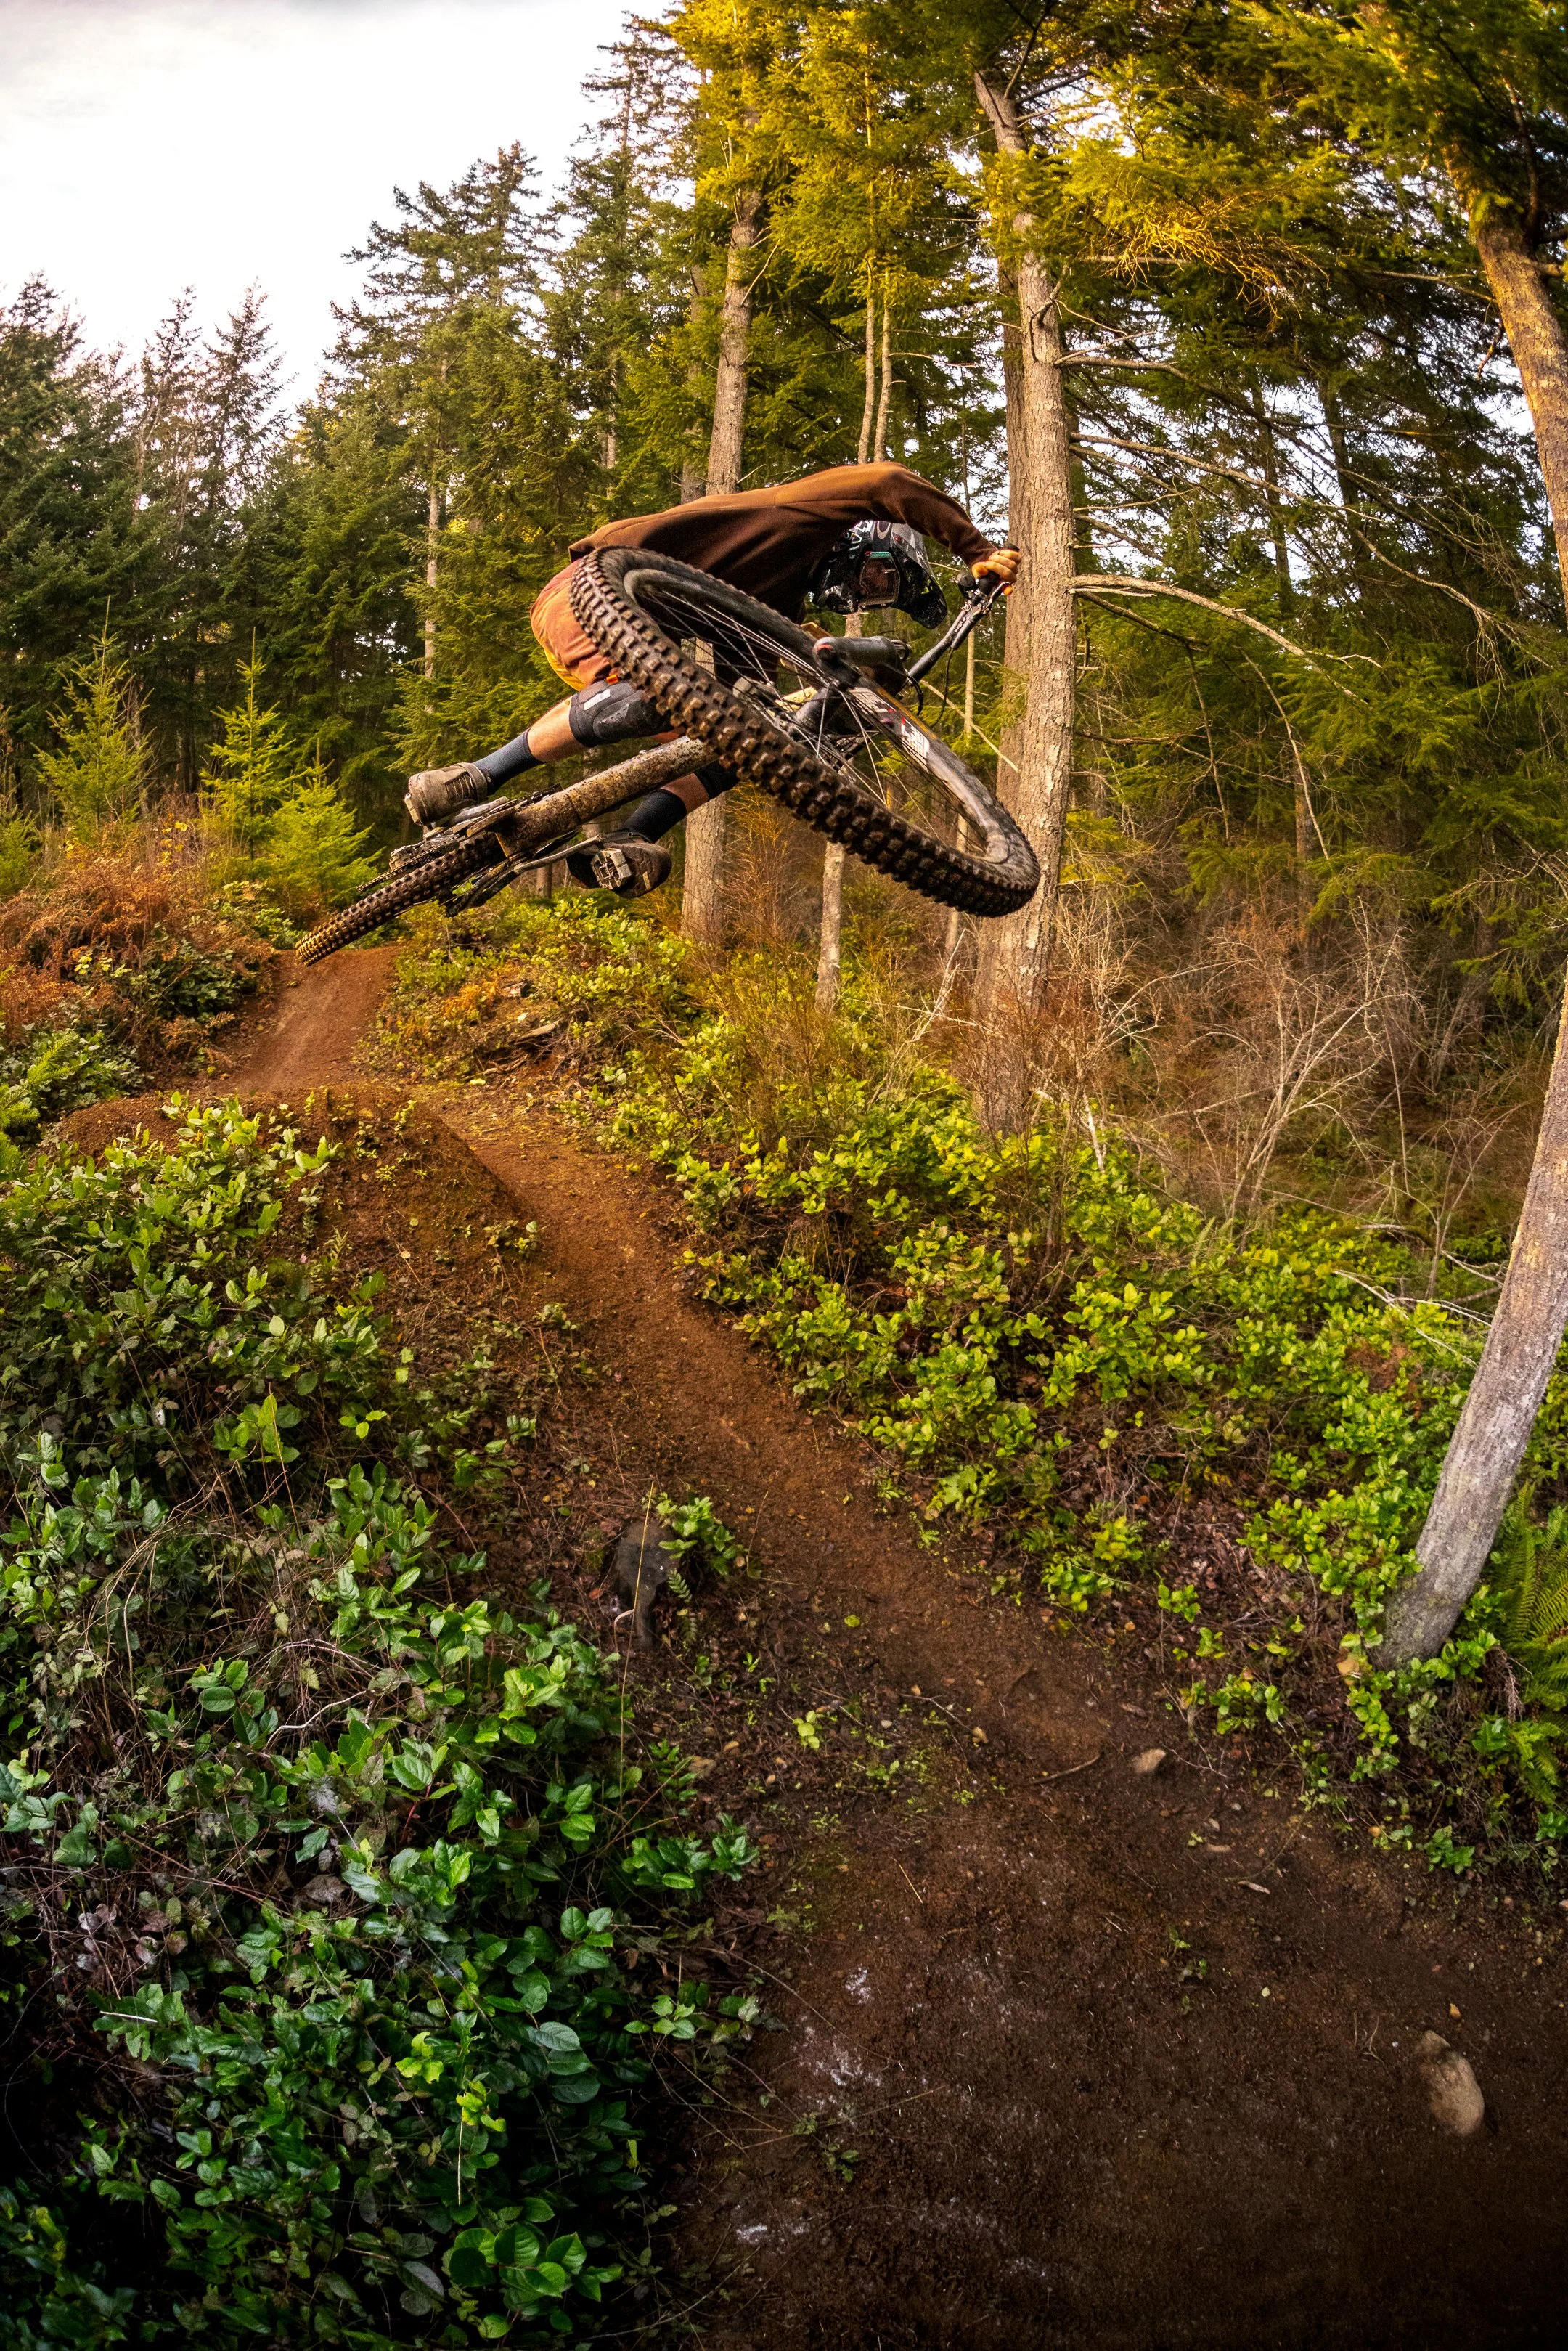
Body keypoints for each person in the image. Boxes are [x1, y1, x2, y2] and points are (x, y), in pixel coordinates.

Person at [404, 461, 1021, 894]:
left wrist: (789, 735)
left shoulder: (776, 609)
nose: (867, 593)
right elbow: (887, 481)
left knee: (743, 745)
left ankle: (632, 838)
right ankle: (473, 778)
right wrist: (974, 549)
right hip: (583, 595)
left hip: (629, 648)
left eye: (880, 597)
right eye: (881, 576)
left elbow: (742, 698)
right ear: (867, 544)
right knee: (661, 697)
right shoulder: (799, 516)